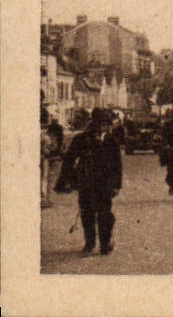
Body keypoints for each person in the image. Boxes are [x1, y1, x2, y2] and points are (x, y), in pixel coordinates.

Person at [55, 106, 122, 255]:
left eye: (106, 124)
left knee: (105, 214)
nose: (103, 128)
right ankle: (89, 243)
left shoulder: (112, 141)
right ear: (94, 124)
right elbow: (69, 160)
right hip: (86, 182)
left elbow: (117, 165)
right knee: (87, 213)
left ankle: (105, 244)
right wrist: (65, 180)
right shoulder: (81, 139)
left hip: (105, 184)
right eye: (100, 124)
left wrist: (117, 185)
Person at [41, 110, 65, 209]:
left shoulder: (55, 129)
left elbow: (60, 137)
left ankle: (43, 197)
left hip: (45, 155)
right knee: (45, 177)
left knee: (44, 177)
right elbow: (49, 147)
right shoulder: (45, 136)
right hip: (44, 157)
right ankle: (44, 198)